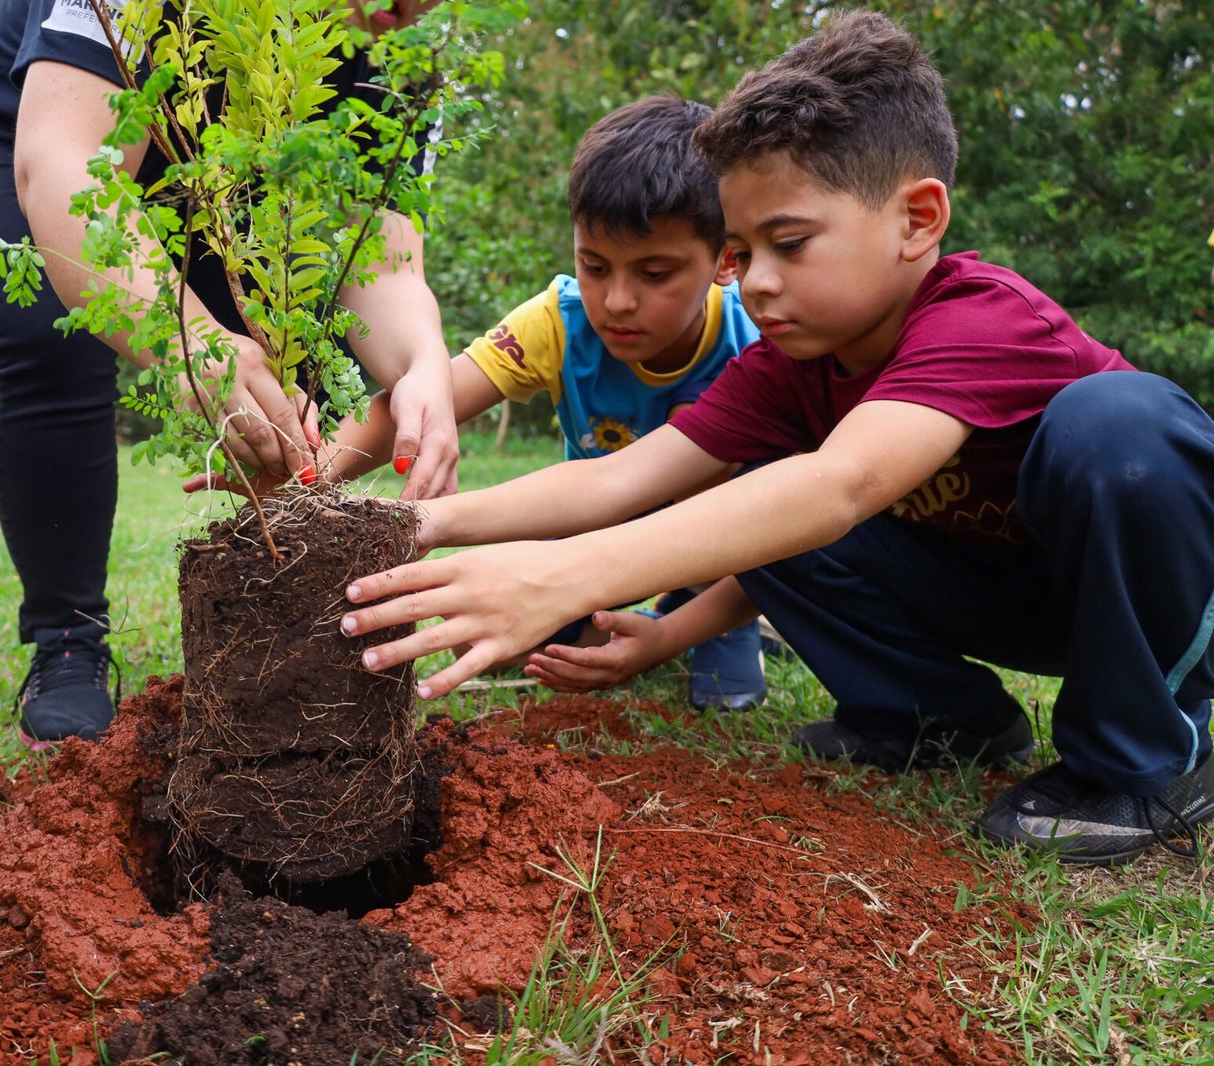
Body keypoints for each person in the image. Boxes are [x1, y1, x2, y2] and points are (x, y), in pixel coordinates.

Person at [336, 10, 1214, 866]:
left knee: (1120, 425)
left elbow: (844, 484)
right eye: (741, 252)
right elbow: (623, 479)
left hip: (1136, 595)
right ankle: (939, 720)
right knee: (755, 495)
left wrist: (557, 575)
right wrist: (411, 529)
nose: (756, 282)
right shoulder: (795, 366)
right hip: (1005, 597)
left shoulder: (983, 318)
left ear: (919, 219)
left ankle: (1149, 758)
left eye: (789, 244)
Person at [0, 0, 459, 749]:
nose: (398, 13)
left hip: (202, 178)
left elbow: (375, 251)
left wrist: (423, 364)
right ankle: (67, 641)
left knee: (295, 345)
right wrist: (196, 339)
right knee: (54, 329)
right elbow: (63, 164)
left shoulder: (405, 51)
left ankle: (293, 650)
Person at [319, 95, 767, 710]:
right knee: (502, 647)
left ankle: (703, 615)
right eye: (595, 265)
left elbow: (783, 529)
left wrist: (665, 640)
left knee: (723, 691)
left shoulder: (757, 349)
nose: (617, 300)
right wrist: (310, 468)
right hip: (588, 544)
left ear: (724, 258)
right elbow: (433, 395)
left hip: (720, 556)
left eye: (655, 274)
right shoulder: (559, 321)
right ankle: (603, 616)